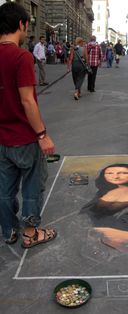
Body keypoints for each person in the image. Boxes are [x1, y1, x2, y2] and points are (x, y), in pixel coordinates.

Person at [0, 2, 57, 248]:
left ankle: (9, 231)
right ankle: (31, 233)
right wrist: (42, 135)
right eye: (27, 26)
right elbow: (27, 101)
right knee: (33, 186)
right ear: (22, 24)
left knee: (4, 188)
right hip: (24, 137)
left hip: (2, 138)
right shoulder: (21, 56)